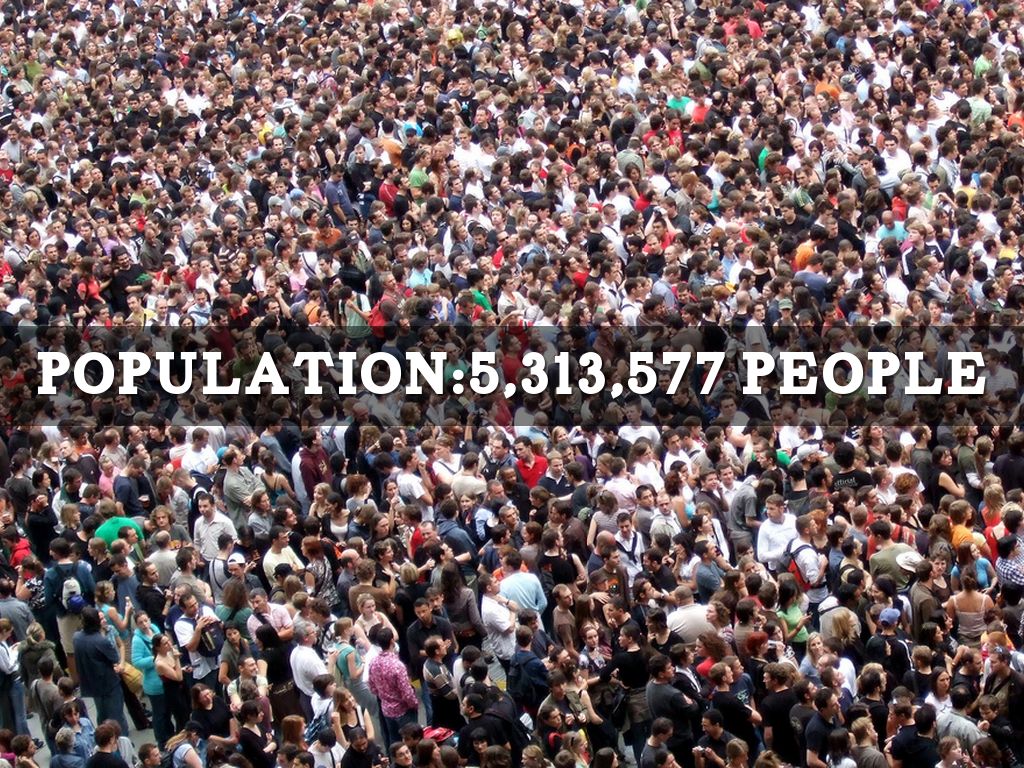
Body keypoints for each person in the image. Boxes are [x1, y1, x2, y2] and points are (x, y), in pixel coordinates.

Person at [72, 608, 128, 735]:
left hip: (93, 685)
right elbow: (115, 658)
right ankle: (121, 742)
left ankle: (104, 740)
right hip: (109, 684)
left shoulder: (76, 638)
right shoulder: (101, 641)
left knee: (102, 716)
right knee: (117, 718)